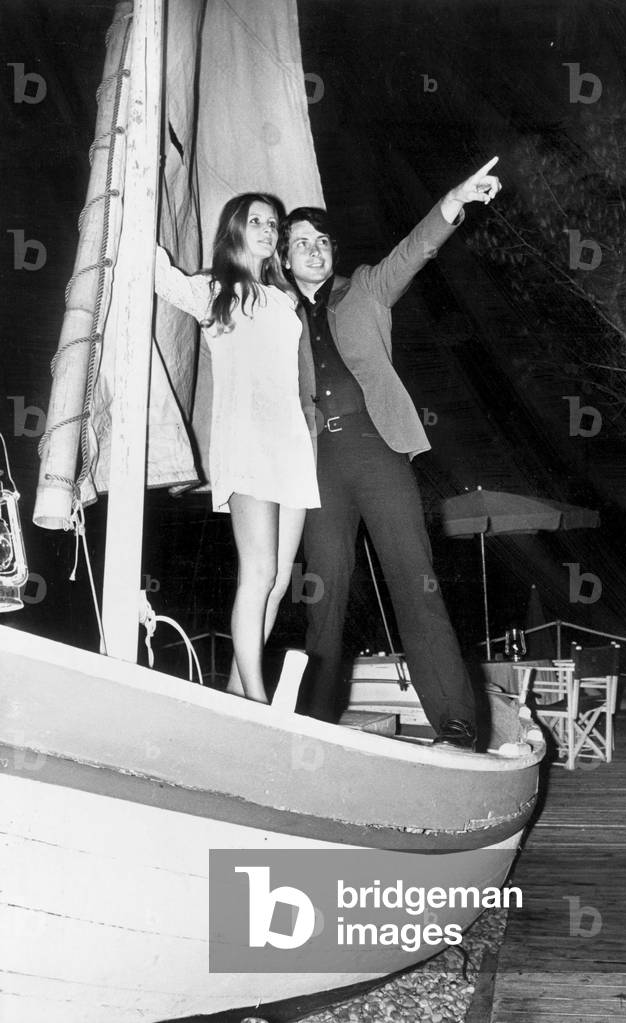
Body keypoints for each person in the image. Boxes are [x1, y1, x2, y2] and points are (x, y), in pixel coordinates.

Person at [279, 159, 501, 750]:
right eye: (301, 243)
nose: (315, 250)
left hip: (377, 448)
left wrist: (454, 197)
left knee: (415, 578)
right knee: (324, 589)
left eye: (321, 241)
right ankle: (316, 727)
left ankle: (456, 723)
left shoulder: (366, 289)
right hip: (317, 460)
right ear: (283, 258)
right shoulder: (272, 313)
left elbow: (416, 249)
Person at [155, 193, 319, 703]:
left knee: (276, 582)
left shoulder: (286, 297)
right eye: (256, 222)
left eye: (273, 223)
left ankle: (235, 691)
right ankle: (259, 698)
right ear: (235, 230)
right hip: (244, 443)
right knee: (259, 571)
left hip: (290, 446)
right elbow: (159, 275)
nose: (268, 230)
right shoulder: (214, 290)